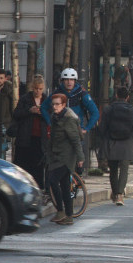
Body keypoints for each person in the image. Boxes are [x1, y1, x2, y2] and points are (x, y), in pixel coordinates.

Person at [98, 86, 133, 205]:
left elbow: (102, 128)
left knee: (113, 170)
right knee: (124, 169)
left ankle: (115, 192)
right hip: (127, 144)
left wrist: (104, 139)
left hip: (111, 143)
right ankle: (120, 195)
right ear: (127, 97)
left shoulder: (108, 109)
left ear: (116, 95)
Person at [45, 93, 84, 225]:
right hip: (56, 155)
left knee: (52, 180)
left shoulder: (69, 119)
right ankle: (68, 216)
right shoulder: (55, 117)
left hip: (66, 157)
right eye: (53, 104)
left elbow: (75, 140)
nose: (54, 106)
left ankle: (61, 211)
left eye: (57, 104)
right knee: (65, 187)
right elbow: (53, 137)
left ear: (63, 105)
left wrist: (80, 158)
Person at [12, 74, 50, 185]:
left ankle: (38, 187)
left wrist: (42, 113)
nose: (38, 91)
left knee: (38, 167)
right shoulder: (25, 99)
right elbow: (16, 114)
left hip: (40, 139)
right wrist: (30, 111)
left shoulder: (46, 100)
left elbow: (51, 116)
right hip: (25, 138)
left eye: (40, 89)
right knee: (23, 166)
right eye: (36, 88)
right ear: (32, 88)